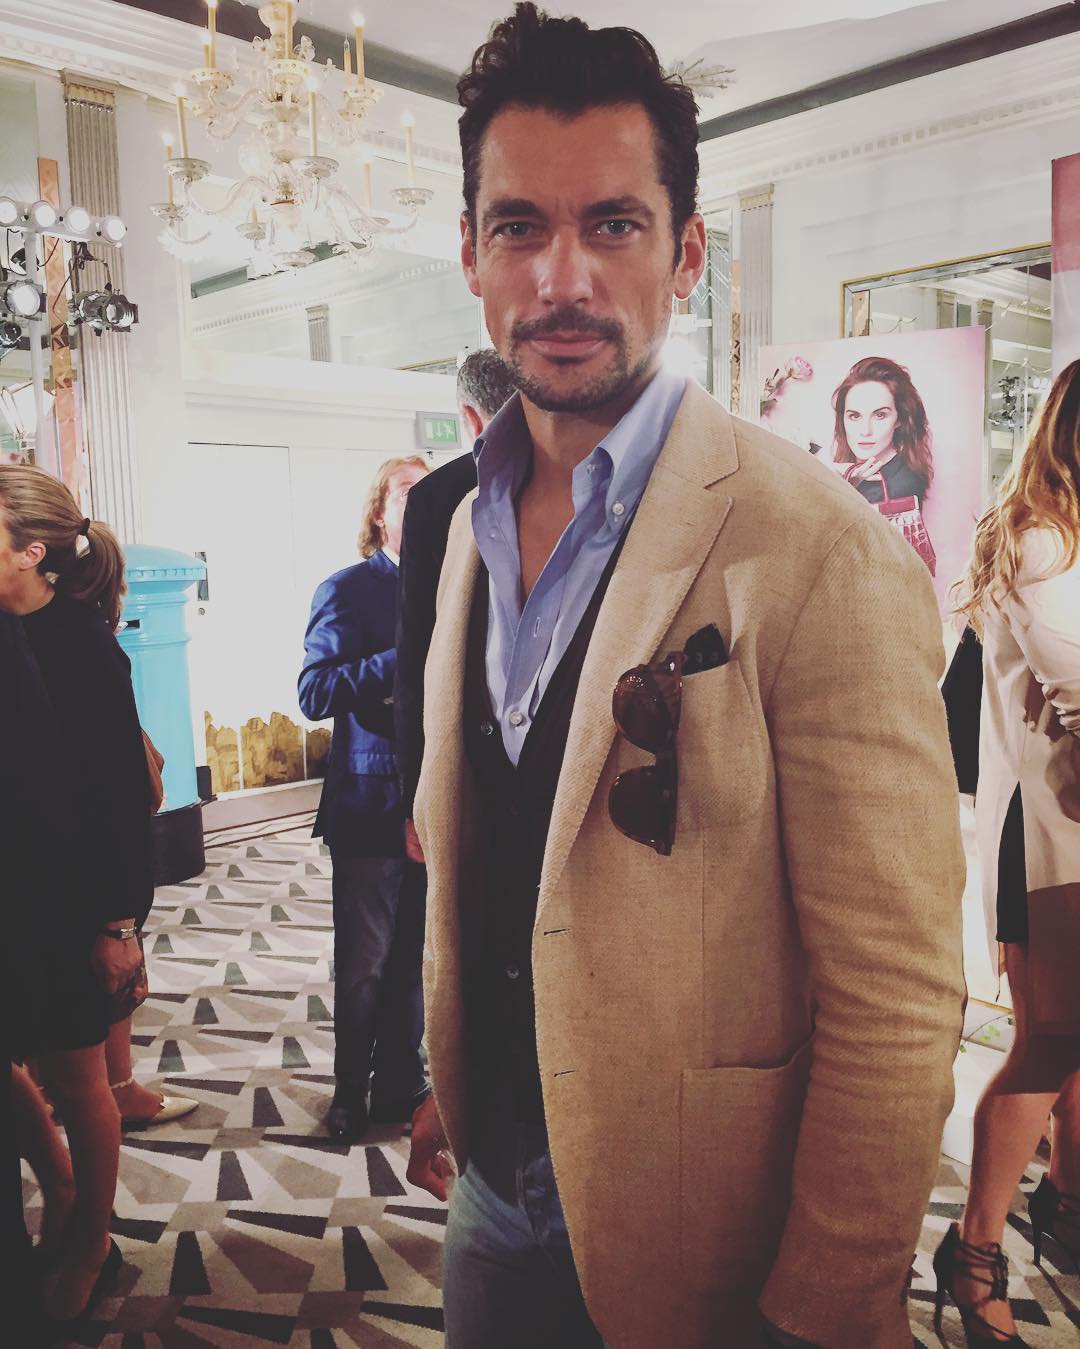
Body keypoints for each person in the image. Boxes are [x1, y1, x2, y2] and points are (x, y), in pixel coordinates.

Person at [405, 8, 966, 1349]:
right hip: (494, 1173)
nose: (563, 278)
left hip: (710, 1221)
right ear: (471, 254)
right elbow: (496, 838)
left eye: (613, 224)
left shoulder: (819, 546)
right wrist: (462, 1066)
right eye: (519, 227)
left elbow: (895, 989)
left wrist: (829, 1301)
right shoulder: (461, 521)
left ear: (687, 254)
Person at [942, 359, 1080, 1346]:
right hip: (1047, 840)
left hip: (1064, 834)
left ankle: (1062, 1205)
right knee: (1050, 1041)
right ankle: (975, 1249)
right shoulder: (1040, 539)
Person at [0, 464, 155, 1324]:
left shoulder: (81, 644)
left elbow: (123, 797)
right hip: (10, 889)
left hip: (70, 902)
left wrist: (118, 924)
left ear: (31, 551)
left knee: (78, 1077)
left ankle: (93, 1239)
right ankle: (59, 1185)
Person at [299, 455, 431, 1141]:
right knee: (365, 964)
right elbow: (314, 691)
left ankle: (401, 1082)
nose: (423, 499)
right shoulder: (347, 589)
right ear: (380, 512)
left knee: (413, 963)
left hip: (435, 805)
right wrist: (401, 660)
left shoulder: (452, 586)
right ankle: (350, 1089)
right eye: (408, 491)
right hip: (369, 806)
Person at [395, 349, 519, 864]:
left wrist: (415, 793)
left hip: (466, 744)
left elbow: (418, 652)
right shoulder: (592, 474)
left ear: (469, 417)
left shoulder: (435, 497)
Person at [830, 355, 933, 506]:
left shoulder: (900, 486)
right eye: (855, 416)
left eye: (880, 415)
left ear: (900, 418)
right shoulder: (848, 470)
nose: (865, 431)